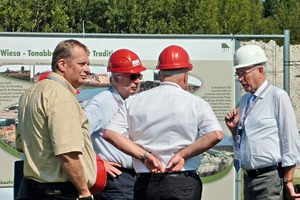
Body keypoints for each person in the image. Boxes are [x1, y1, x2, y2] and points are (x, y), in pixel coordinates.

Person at [103, 45, 223, 200]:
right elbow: (216, 134)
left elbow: (110, 133)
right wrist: (182, 154)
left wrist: (145, 155)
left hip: (147, 182)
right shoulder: (196, 103)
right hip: (183, 181)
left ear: (160, 74)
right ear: (186, 75)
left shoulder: (134, 102)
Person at [15, 39, 106, 200]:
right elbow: (67, 152)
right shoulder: (61, 97)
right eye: (82, 64)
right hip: (59, 191)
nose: (87, 69)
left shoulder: (31, 93)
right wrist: (84, 192)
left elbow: (21, 145)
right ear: (62, 65)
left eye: (87, 64)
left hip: (33, 188)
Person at [225, 44, 300, 200]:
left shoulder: (277, 96)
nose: (240, 79)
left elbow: (290, 140)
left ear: (260, 71)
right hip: (250, 178)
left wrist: (288, 180)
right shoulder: (245, 100)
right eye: (237, 74)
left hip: (270, 179)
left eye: (243, 73)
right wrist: (234, 129)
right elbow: (245, 140)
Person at [83, 49, 146, 200]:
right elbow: (76, 135)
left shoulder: (132, 102)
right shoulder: (101, 102)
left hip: (134, 177)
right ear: (116, 78)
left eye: (139, 76)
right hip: (115, 180)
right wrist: (97, 162)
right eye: (132, 76)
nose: (137, 81)